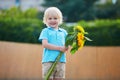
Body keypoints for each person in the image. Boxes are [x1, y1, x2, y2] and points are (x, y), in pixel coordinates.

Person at [38, 7, 68, 80]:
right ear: (46, 20)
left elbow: (67, 45)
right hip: (49, 61)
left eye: (55, 18)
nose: (52, 20)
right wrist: (59, 48)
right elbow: (45, 44)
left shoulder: (64, 32)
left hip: (61, 60)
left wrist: (67, 47)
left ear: (59, 19)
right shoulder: (45, 31)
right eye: (50, 18)